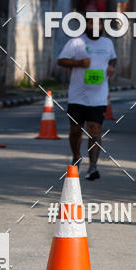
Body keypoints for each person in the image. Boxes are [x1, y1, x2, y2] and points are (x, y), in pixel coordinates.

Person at [57, 16, 117, 181]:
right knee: (75, 130)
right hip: (77, 96)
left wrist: (112, 66)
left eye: (99, 23)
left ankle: (93, 166)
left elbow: (113, 58)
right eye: (92, 22)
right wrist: (78, 63)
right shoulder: (75, 42)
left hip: (98, 97)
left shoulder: (107, 43)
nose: (95, 26)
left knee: (95, 130)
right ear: (86, 25)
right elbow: (61, 60)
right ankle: (76, 156)